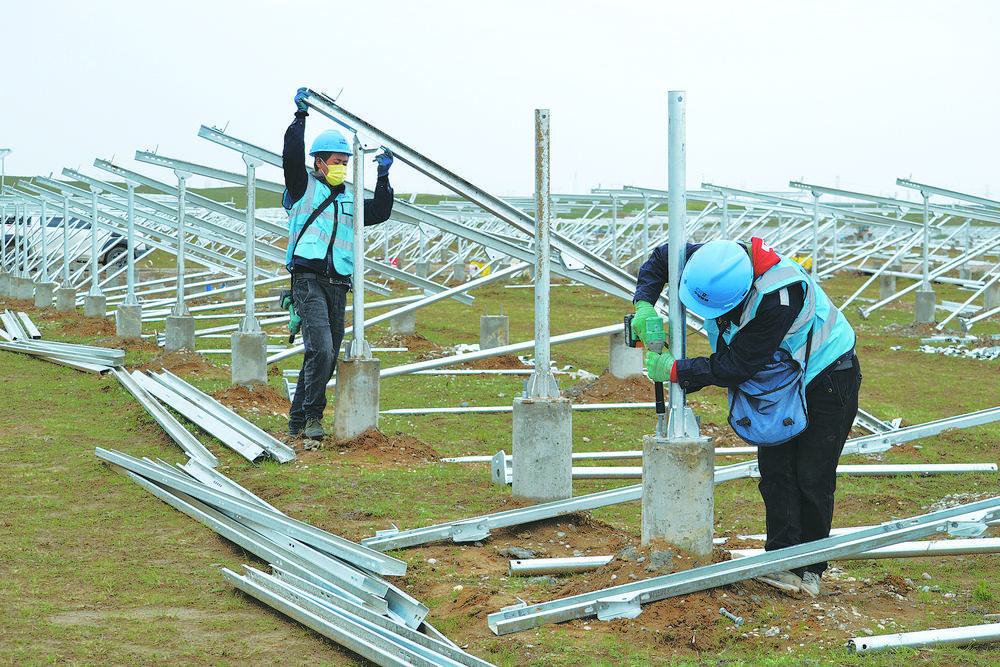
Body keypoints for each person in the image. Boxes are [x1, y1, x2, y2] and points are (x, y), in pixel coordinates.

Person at [631, 238, 861, 598]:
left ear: (739, 297)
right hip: (779, 375)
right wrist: (644, 304)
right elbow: (663, 256)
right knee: (777, 471)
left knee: (812, 476)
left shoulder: (778, 299)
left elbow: (737, 365)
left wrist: (677, 370)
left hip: (827, 375)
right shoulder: (713, 262)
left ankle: (810, 568)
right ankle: (781, 562)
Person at [282, 87, 395, 440]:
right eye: (336, 162)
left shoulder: (349, 200)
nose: (341, 168)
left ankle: (297, 421)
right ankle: (313, 418)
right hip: (308, 280)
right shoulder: (302, 188)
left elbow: (380, 211)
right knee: (322, 349)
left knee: (324, 355)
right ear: (319, 162)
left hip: (337, 284)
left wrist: (383, 178)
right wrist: (300, 118)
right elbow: (290, 155)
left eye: (345, 163)